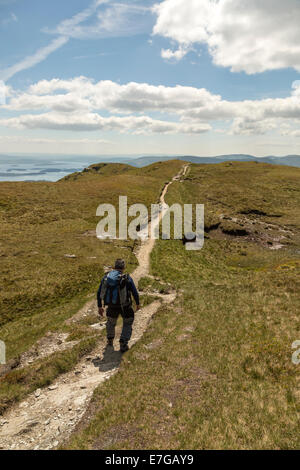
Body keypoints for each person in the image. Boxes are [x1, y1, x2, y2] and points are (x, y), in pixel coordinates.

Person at [97, 259, 140, 353]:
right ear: (123, 267)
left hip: (111, 306)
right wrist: (137, 304)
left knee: (111, 323)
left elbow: (99, 292)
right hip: (125, 306)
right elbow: (134, 292)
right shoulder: (126, 278)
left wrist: (100, 306)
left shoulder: (106, 277)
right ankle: (123, 343)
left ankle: (110, 340)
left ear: (114, 266)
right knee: (128, 322)